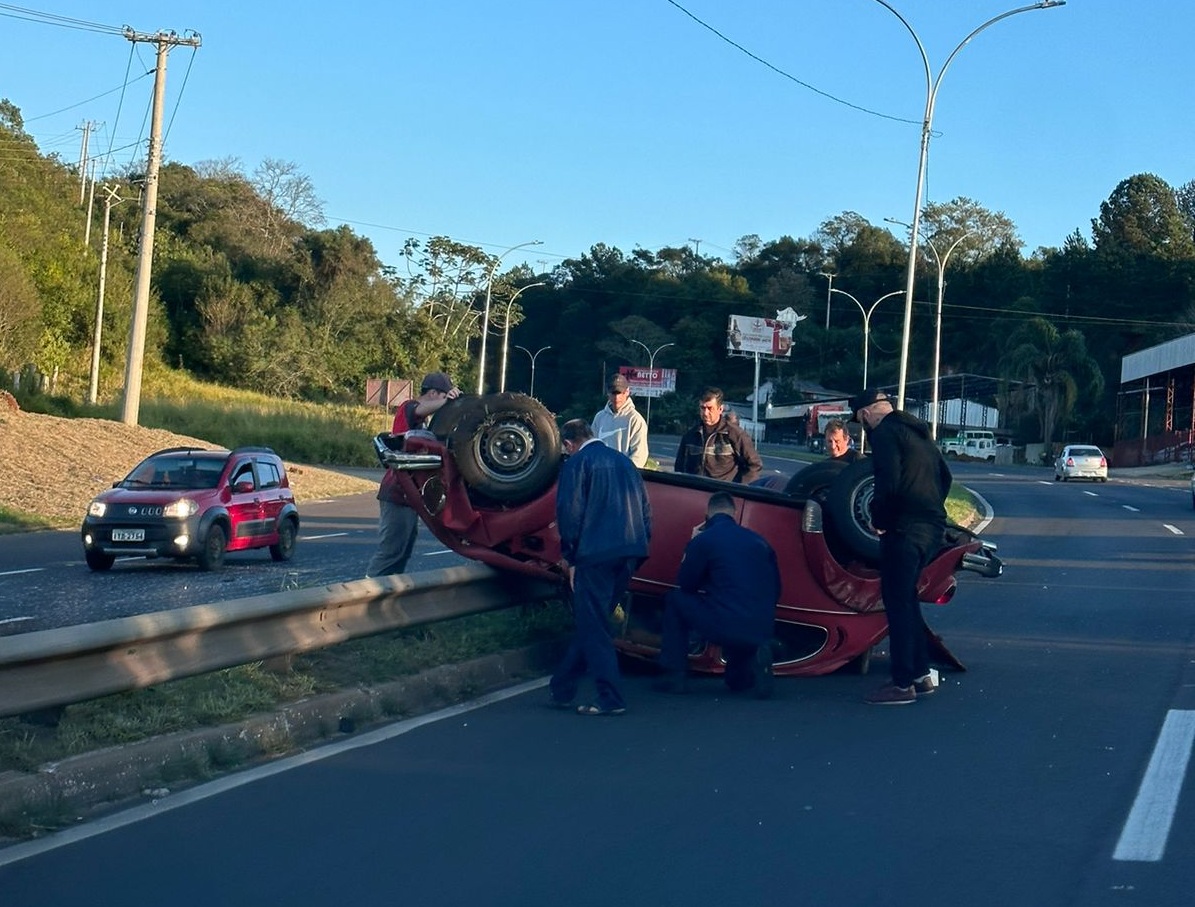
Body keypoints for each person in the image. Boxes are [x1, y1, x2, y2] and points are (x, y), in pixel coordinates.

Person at [850, 388, 952, 705]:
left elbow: (887, 481)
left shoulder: (884, 434)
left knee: (897, 603)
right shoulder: (918, 431)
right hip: (931, 527)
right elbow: (945, 477)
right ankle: (920, 674)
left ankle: (902, 682)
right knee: (908, 600)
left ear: (866, 414)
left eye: (859, 422)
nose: (862, 429)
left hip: (905, 529)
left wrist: (880, 519)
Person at [549, 418, 652, 716]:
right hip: (629, 550)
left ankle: (610, 697)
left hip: (596, 554)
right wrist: (640, 547)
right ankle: (562, 686)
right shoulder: (624, 462)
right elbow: (646, 509)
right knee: (593, 621)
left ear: (569, 444)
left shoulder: (577, 464)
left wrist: (570, 557)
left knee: (594, 627)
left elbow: (570, 513)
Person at [653, 492, 781, 698]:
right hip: (761, 625)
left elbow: (686, 584)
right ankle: (743, 672)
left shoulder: (705, 540)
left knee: (675, 600)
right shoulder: (760, 542)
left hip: (724, 622)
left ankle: (674, 675)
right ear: (734, 513)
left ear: (707, 515)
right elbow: (776, 589)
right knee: (740, 616)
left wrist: (692, 544)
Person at [367, 372, 460, 577]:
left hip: (409, 495)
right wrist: (449, 400)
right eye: (442, 396)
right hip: (397, 492)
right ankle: (366, 594)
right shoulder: (408, 408)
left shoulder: (423, 424)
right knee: (390, 553)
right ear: (434, 393)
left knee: (402, 553)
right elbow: (420, 409)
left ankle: (386, 596)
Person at [674, 387, 763, 484]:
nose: (705, 413)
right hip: (696, 492)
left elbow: (754, 465)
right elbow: (679, 467)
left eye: (710, 408)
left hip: (723, 494)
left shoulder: (735, 434)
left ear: (720, 409)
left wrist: (740, 490)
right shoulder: (690, 435)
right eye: (702, 408)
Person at [592, 373, 649, 467]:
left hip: (622, 476)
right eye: (613, 393)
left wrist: (623, 474)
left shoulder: (635, 420)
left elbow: (639, 456)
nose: (616, 397)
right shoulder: (599, 417)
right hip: (600, 474)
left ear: (627, 392)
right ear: (608, 393)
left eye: (620, 393)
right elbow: (592, 447)